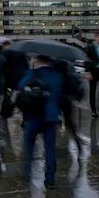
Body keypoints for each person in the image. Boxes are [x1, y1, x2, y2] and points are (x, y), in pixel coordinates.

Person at [18, 55, 64, 189]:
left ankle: (27, 172)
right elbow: (60, 96)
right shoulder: (57, 76)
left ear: (37, 61)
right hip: (51, 116)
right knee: (50, 148)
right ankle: (50, 179)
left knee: (29, 145)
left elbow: (20, 86)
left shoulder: (32, 73)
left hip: (33, 116)